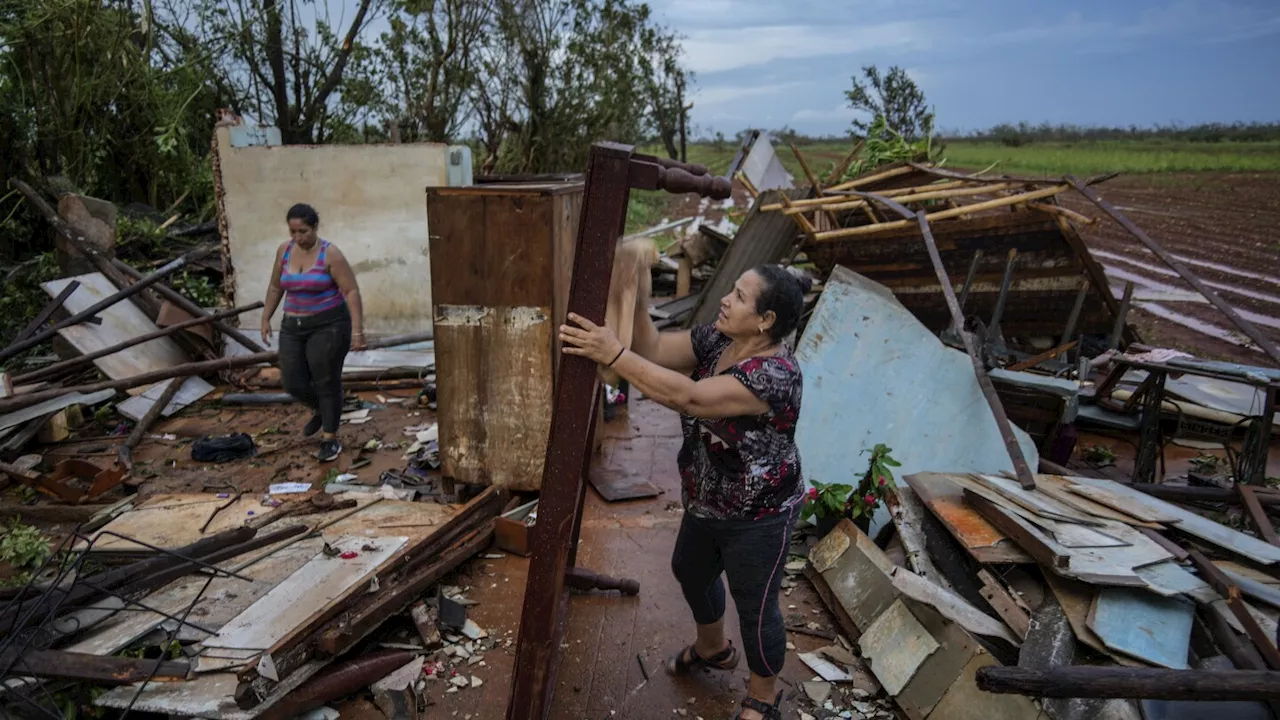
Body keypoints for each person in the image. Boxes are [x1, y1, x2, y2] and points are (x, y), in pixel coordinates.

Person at [558, 264, 805, 720]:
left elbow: (687, 397)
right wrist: (636, 290)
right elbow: (652, 348)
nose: (726, 300)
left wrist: (612, 354)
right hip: (708, 497)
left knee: (755, 605)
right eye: (731, 290)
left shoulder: (775, 375)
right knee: (690, 569)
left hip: (760, 512)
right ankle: (712, 648)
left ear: (766, 320)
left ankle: (764, 696)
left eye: (740, 296)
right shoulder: (717, 340)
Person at [260, 203, 366, 462]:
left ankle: (330, 438)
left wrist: (357, 331)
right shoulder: (284, 251)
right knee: (293, 381)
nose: (298, 237)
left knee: (326, 379)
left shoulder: (331, 255)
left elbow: (351, 291)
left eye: (303, 231)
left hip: (328, 324)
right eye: (293, 232)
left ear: (315, 227)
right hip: (292, 326)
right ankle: (322, 409)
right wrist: (265, 317)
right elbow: (276, 287)